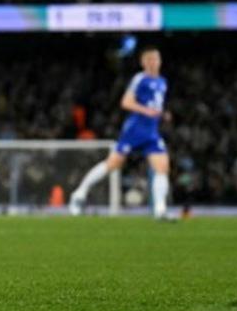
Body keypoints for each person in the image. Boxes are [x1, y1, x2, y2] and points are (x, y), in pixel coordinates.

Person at [69, 47, 175, 220]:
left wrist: (163, 114)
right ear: (143, 62)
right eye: (149, 59)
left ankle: (160, 210)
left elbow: (155, 104)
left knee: (162, 167)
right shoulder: (139, 79)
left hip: (151, 132)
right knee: (113, 164)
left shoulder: (163, 81)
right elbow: (126, 102)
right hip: (135, 130)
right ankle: (79, 194)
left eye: (156, 59)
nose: (153, 62)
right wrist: (146, 111)